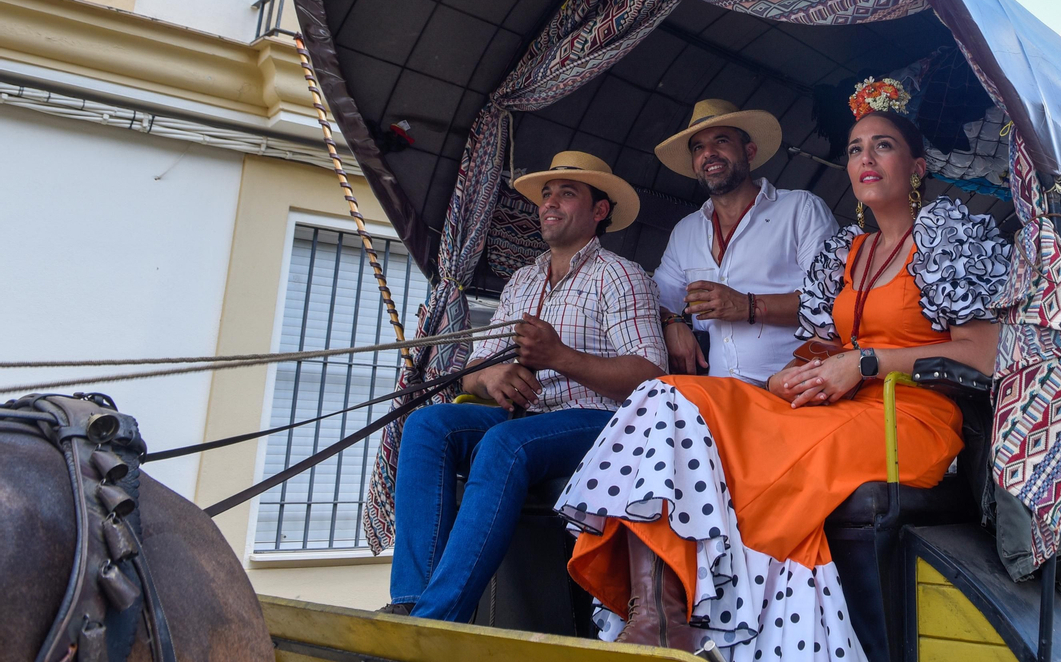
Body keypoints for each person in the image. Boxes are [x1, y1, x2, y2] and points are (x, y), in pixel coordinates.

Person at [555, 79, 1009, 660]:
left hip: (913, 418)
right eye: (853, 149)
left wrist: (867, 362)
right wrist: (787, 377)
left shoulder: (952, 235)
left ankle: (723, 625)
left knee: (766, 464)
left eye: (883, 146)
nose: (865, 159)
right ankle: (661, 617)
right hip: (839, 405)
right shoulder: (845, 250)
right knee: (668, 397)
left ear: (916, 164)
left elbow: (984, 354)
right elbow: (820, 347)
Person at [382, 152, 668, 621]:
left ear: (600, 210)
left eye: (567, 193)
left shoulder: (621, 275)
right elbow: (473, 369)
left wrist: (560, 358)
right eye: (546, 194)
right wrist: (490, 377)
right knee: (427, 423)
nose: (550, 203)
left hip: (602, 424)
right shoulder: (522, 281)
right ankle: (409, 598)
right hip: (527, 417)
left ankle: (435, 619)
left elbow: (650, 377)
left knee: (503, 443)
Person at [652, 99, 838, 381]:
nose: (709, 154)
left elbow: (834, 300)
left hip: (800, 387)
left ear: (749, 152)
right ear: (694, 165)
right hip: (723, 398)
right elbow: (658, 296)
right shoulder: (686, 231)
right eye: (698, 147)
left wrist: (748, 306)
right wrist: (672, 322)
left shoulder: (801, 209)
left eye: (721, 140)